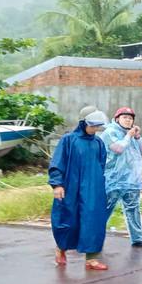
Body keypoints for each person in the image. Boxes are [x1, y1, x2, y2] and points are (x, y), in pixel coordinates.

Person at [49, 109, 111, 270]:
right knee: (69, 220)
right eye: (92, 126)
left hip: (93, 188)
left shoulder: (98, 143)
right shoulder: (68, 140)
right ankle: (61, 249)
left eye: (98, 126)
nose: (95, 129)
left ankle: (91, 258)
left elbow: (101, 164)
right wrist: (57, 184)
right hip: (71, 186)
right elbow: (57, 163)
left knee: (93, 221)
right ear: (83, 123)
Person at [100, 107, 142, 248]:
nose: (128, 120)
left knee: (133, 209)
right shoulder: (110, 132)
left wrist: (137, 137)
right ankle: (91, 236)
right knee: (104, 209)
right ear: (117, 119)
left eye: (130, 118)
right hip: (113, 179)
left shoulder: (131, 134)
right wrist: (129, 135)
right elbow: (118, 148)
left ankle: (138, 238)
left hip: (131, 180)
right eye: (125, 117)